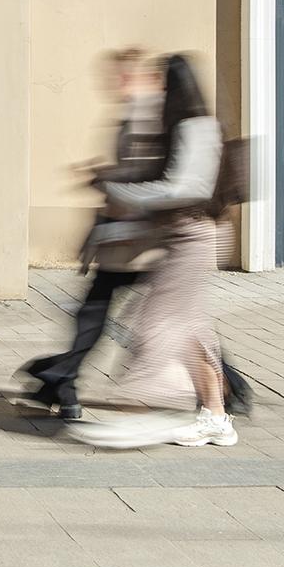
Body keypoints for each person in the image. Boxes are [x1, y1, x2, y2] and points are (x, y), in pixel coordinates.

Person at [71, 53, 238, 449]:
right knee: (190, 329)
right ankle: (216, 419)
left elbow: (184, 189)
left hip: (192, 240)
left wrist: (118, 191)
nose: (157, 92)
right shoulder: (184, 127)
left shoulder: (196, 128)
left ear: (176, 87)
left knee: (156, 323)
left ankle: (141, 414)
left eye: (162, 83)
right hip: (182, 236)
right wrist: (113, 226)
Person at [19, 48, 165, 421]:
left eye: (122, 75)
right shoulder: (136, 112)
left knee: (110, 315)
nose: (115, 83)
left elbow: (146, 176)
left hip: (137, 240)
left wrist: (103, 180)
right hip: (130, 239)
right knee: (97, 314)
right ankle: (59, 381)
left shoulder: (146, 115)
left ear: (138, 76)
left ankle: (59, 380)